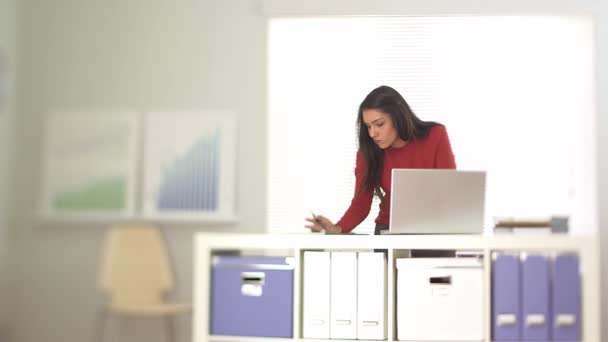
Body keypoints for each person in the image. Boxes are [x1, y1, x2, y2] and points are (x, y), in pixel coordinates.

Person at [305, 85, 456, 235]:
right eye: (368, 126)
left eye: (379, 124)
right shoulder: (367, 153)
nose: (372, 133)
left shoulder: (436, 136)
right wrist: (336, 228)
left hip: (435, 229)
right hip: (389, 230)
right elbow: (361, 204)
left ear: (398, 116)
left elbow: (451, 189)